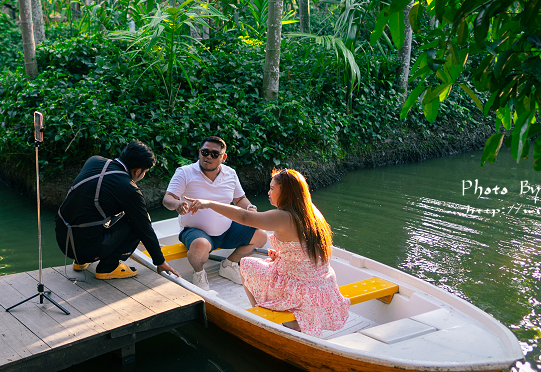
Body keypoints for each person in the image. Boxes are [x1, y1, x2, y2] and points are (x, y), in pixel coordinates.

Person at [183, 169, 350, 337]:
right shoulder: (312, 212)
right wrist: (281, 255)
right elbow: (304, 250)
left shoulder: (282, 216)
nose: (268, 193)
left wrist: (210, 204)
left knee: (247, 264)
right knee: (267, 264)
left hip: (299, 287)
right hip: (323, 282)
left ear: (284, 191)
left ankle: (263, 316)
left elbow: (245, 218)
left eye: (272, 188)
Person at [55, 140, 181, 280]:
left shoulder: (94, 161)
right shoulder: (128, 188)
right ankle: (108, 267)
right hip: (86, 248)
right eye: (145, 172)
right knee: (138, 222)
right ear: (138, 171)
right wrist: (160, 261)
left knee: (94, 210)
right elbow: (144, 228)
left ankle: (81, 262)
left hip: (63, 240)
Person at [163, 137, 267, 291]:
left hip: (227, 228)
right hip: (195, 231)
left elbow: (240, 199)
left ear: (223, 157)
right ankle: (199, 273)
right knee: (200, 245)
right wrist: (177, 204)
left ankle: (229, 264)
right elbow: (167, 199)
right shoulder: (185, 172)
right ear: (199, 153)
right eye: (205, 152)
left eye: (214, 154)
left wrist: (251, 208)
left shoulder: (230, 173)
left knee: (261, 235)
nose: (208, 157)